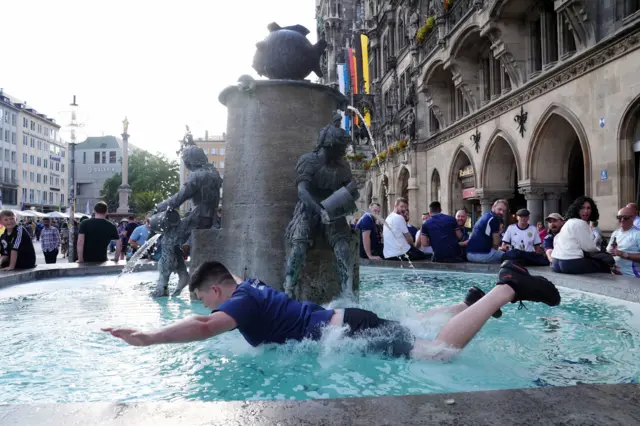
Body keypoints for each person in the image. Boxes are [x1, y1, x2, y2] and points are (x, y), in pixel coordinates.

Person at [103, 260, 560, 360]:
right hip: (351, 323)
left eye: (200, 293)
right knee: (416, 327)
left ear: (217, 288)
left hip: (351, 331)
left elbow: (205, 326)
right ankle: (467, 304)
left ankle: (507, 288)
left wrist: (149, 337)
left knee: (440, 352)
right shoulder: (252, 286)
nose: (201, 302)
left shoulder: (239, 300)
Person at [551, 197, 612, 274]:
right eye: (582, 208)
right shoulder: (580, 223)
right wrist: (602, 251)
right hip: (570, 263)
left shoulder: (568, 222)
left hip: (555, 263)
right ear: (576, 209)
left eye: (588, 208)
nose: (586, 211)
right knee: (605, 266)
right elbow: (589, 247)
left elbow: (556, 240)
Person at [467, 199, 509, 264]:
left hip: (469, 254)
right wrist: (497, 251)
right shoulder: (494, 218)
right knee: (510, 257)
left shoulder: (485, 215)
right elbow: (496, 242)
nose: (501, 212)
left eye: (503, 211)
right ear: (493, 207)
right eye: (499, 209)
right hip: (482, 255)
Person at [606, 206, 640, 277]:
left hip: (632, 277)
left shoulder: (637, 234)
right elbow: (608, 251)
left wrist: (623, 254)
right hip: (614, 275)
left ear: (633, 218)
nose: (622, 220)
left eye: (625, 217)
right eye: (619, 217)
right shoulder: (615, 233)